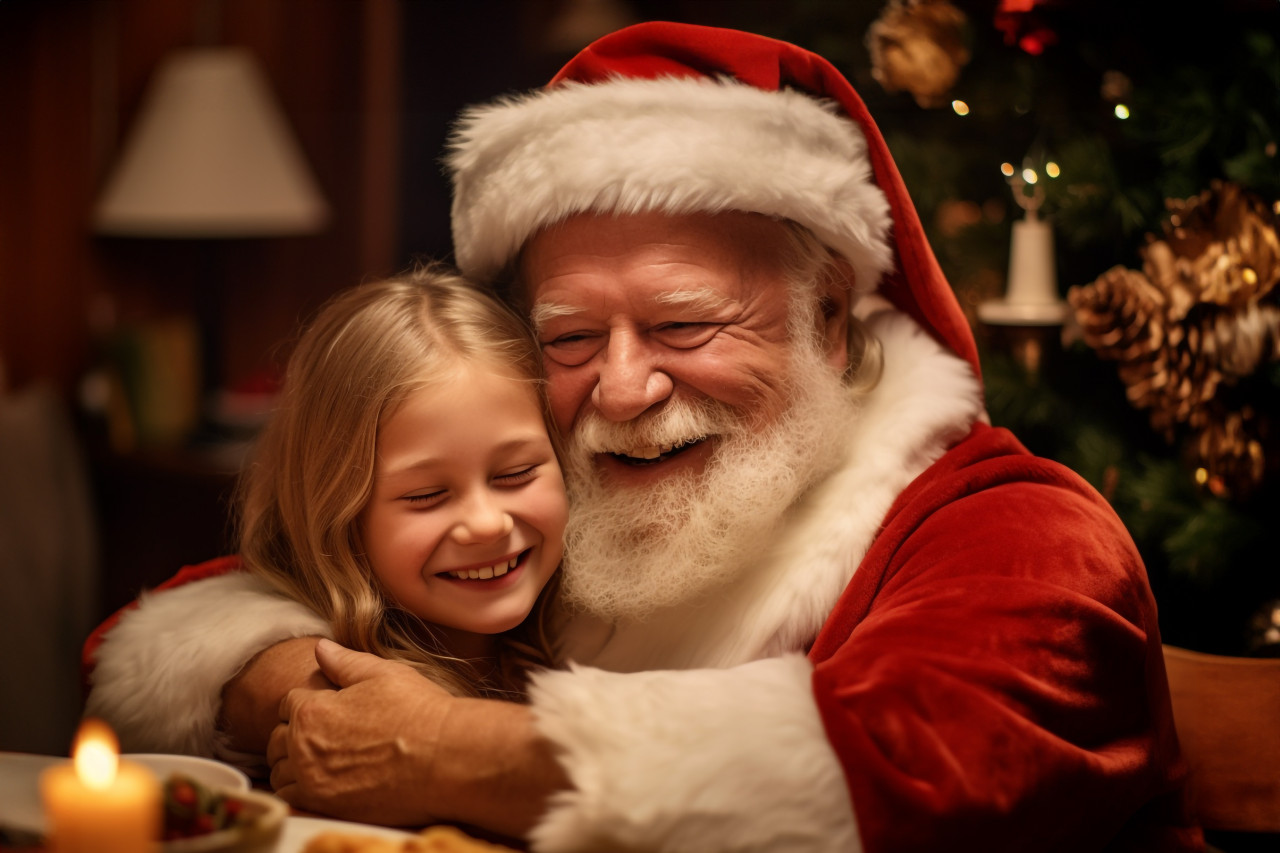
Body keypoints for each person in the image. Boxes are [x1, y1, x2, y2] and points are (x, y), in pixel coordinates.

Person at [84, 22, 1199, 853]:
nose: (621, 389)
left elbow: (929, 771)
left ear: (825, 314)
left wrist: (441, 750)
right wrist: (293, 688)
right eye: (569, 336)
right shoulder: (546, 500)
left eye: (682, 324)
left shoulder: (1008, 523)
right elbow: (217, 605)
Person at [85, 267, 567, 766]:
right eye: (426, 495)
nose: (488, 523)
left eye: (516, 473)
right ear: (337, 514)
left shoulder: (594, 635)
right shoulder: (304, 680)